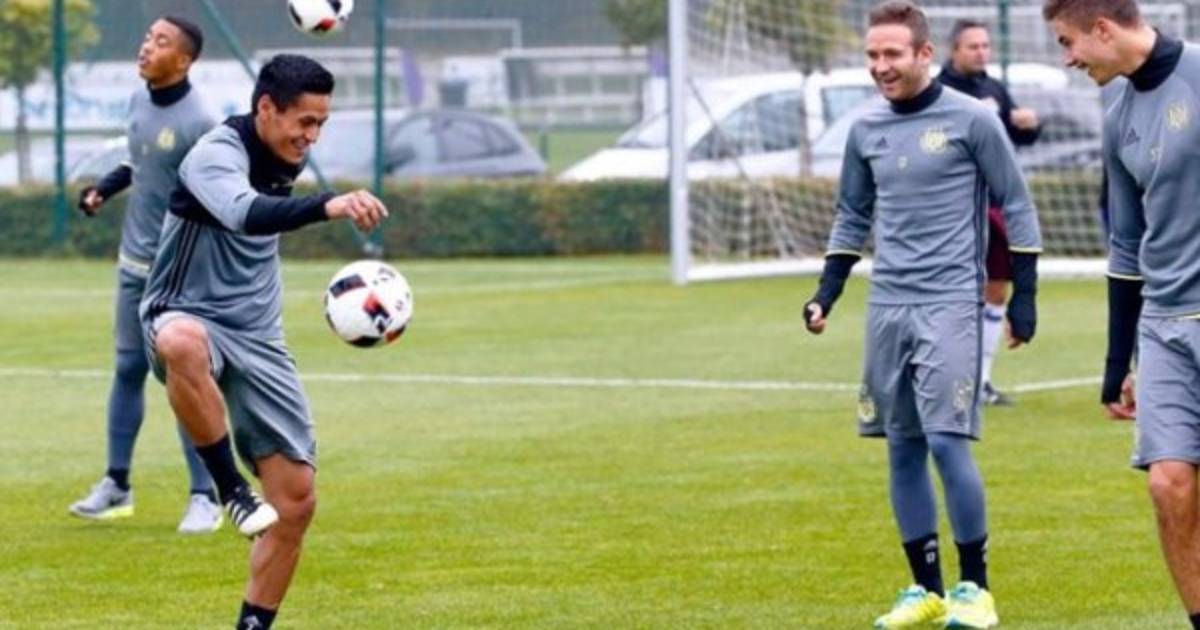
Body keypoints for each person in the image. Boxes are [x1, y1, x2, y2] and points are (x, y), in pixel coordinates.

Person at [804, 2, 1042, 628]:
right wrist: (827, 292)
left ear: (924, 54)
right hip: (888, 304)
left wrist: (1024, 295)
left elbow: (1017, 203)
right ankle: (926, 590)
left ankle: (976, 589)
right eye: (872, 55)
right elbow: (852, 214)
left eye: (893, 54)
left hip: (951, 301)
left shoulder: (972, 119)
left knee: (945, 440)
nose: (881, 66)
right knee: (901, 447)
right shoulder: (865, 129)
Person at [139, 53, 387, 630]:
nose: (312, 136)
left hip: (258, 332)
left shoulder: (283, 149)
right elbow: (245, 213)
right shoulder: (215, 154)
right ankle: (229, 488)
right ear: (266, 108)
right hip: (185, 311)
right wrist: (329, 205)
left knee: (296, 501)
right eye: (305, 121)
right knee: (181, 342)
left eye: (321, 124)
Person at [1045, 1, 1200, 627]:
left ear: (1103, 29)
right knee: (1168, 484)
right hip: (1163, 323)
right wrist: (1117, 362)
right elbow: (1127, 246)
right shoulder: (1116, 116)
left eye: (1068, 42)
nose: (1067, 58)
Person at [69, 16, 221, 534]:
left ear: (184, 60)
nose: (146, 47)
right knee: (128, 368)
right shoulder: (138, 100)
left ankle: (205, 495)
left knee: (184, 378)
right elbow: (140, 165)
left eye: (161, 42)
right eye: (147, 38)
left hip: (179, 274)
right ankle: (117, 485)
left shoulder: (202, 121)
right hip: (133, 265)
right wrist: (103, 190)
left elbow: (217, 194)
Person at [937, 18, 1042, 406]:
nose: (981, 52)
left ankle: (979, 382)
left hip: (994, 205)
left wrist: (1028, 126)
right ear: (954, 50)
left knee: (997, 285)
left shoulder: (994, 89)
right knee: (953, 290)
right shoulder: (939, 92)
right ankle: (942, 377)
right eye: (973, 46)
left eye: (985, 45)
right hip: (954, 206)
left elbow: (1013, 139)